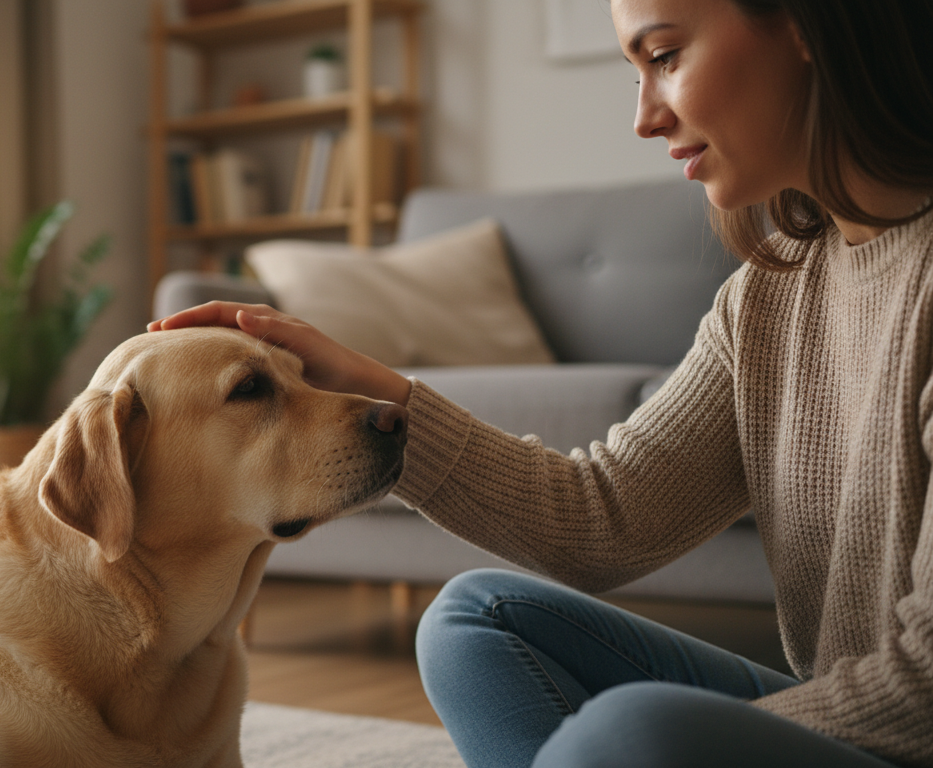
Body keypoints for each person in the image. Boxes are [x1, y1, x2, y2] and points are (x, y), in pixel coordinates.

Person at [149, 0, 933, 764]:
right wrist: (377, 390)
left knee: (633, 730)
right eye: (636, 71)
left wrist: (673, 742)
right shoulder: (770, 296)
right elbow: (602, 521)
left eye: (664, 56)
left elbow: (920, 693)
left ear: (804, 23)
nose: (644, 118)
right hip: (844, 716)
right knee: (474, 620)